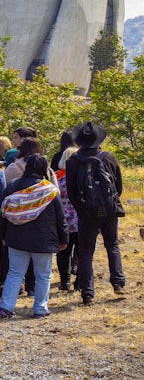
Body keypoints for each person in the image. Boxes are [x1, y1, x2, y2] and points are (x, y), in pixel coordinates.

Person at [0, 154, 67, 318]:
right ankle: (40, 308)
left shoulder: (13, 186)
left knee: (15, 273)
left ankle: (6, 307)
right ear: (44, 169)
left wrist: (3, 235)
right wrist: (64, 239)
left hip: (16, 237)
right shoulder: (49, 190)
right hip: (43, 240)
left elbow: (2, 213)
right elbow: (60, 218)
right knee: (43, 275)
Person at [65, 121, 126, 305]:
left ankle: (88, 293)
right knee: (112, 245)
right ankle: (118, 283)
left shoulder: (73, 161)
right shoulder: (109, 157)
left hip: (87, 212)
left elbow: (72, 191)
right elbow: (118, 186)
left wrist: (82, 208)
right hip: (108, 210)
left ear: (79, 142)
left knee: (86, 252)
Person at [55, 146, 79, 291]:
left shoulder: (58, 178)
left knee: (63, 251)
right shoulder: (81, 178)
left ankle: (65, 282)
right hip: (81, 220)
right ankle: (80, 281)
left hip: (63, 221)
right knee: (82, 251)